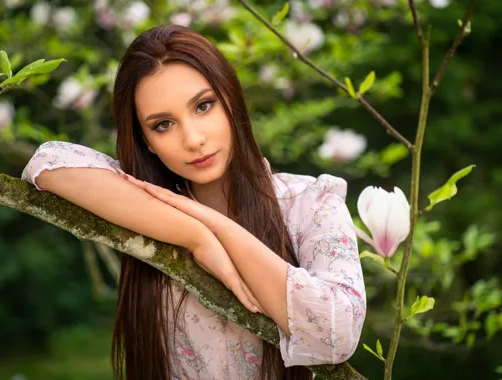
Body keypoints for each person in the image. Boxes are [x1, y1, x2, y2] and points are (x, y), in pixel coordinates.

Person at [21, 24, 366, 380]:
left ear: (230, 101)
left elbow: (335, 333)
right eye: (164, 124)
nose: (193, 139)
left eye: (203, 106)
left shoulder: (309, 202)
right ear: (147, 141)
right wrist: (194, 235)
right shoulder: (145, 209)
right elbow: (47, 165)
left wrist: (217, 226)